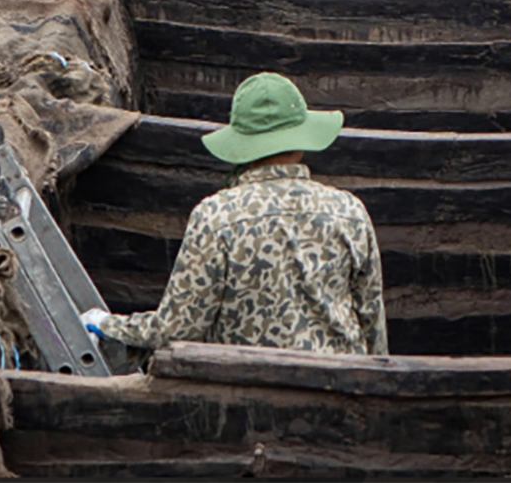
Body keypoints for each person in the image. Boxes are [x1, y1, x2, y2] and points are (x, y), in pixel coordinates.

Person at [80, 72, 388, 354]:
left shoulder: (215, 215)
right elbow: (372, 326)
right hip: (340, 387)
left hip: (246, 389)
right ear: (301, 141)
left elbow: (178, 327)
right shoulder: (350, 211)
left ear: (243, 147)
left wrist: (107, 325)